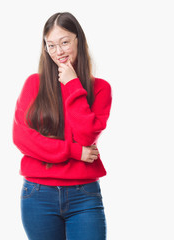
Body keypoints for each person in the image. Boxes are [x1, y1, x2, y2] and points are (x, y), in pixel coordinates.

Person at [12, 12, 112, 240]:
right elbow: (22, 138)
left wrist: (73, 84)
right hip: (37, 194)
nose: (59, 52)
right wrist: (75, 151)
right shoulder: (33, 84)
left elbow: (87, 136)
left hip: (84, 194)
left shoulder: (101, 89)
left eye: (65, 42)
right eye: (51, 45)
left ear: (79, 40)